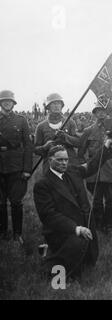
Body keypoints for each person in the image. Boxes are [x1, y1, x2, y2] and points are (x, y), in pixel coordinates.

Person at [33, 138, 112, 280]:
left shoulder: (73, 171)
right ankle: (53, 269)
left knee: (89, 262)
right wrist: (76, 229)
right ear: (49, 160)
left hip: (86, 225)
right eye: (59, 160)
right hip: (63, 231)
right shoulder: (43, 185)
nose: (64, 163)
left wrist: (105, 147)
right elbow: (49, 216)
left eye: (66, 159)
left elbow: (91, 165)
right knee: (68, 272)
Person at [78, 103, 112, 235]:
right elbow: (81, 151)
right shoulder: (89, 130)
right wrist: (86, 167)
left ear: (107, 113)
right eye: (98, 111)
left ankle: (109, 227)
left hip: (111, 171)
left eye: (103, 111)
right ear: (94, 113)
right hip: (94, 173)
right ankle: (98, 227)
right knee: (96, 201)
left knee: (110, 201)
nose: (101, 114)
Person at [0, 90, 33, 243]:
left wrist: (27, 169)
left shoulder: (21, 121)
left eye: (9, 101)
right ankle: (3, 233)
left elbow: (28, 145)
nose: (7, 103)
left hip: (16, 167)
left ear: (13, 103)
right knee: (0, 202)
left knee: (16, 202)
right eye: (4, 101)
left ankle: (17, 234)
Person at [34, 93, 79, 174]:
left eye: (59, 103)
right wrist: (45, 147)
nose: (56, 106)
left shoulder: (70, 122)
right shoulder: (41, 126)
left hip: (69, 165)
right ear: (48, 107)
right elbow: (36, 149)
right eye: (54, 104)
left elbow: (78, 142)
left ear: (62, 106)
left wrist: (66, 137)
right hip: (50, 166)